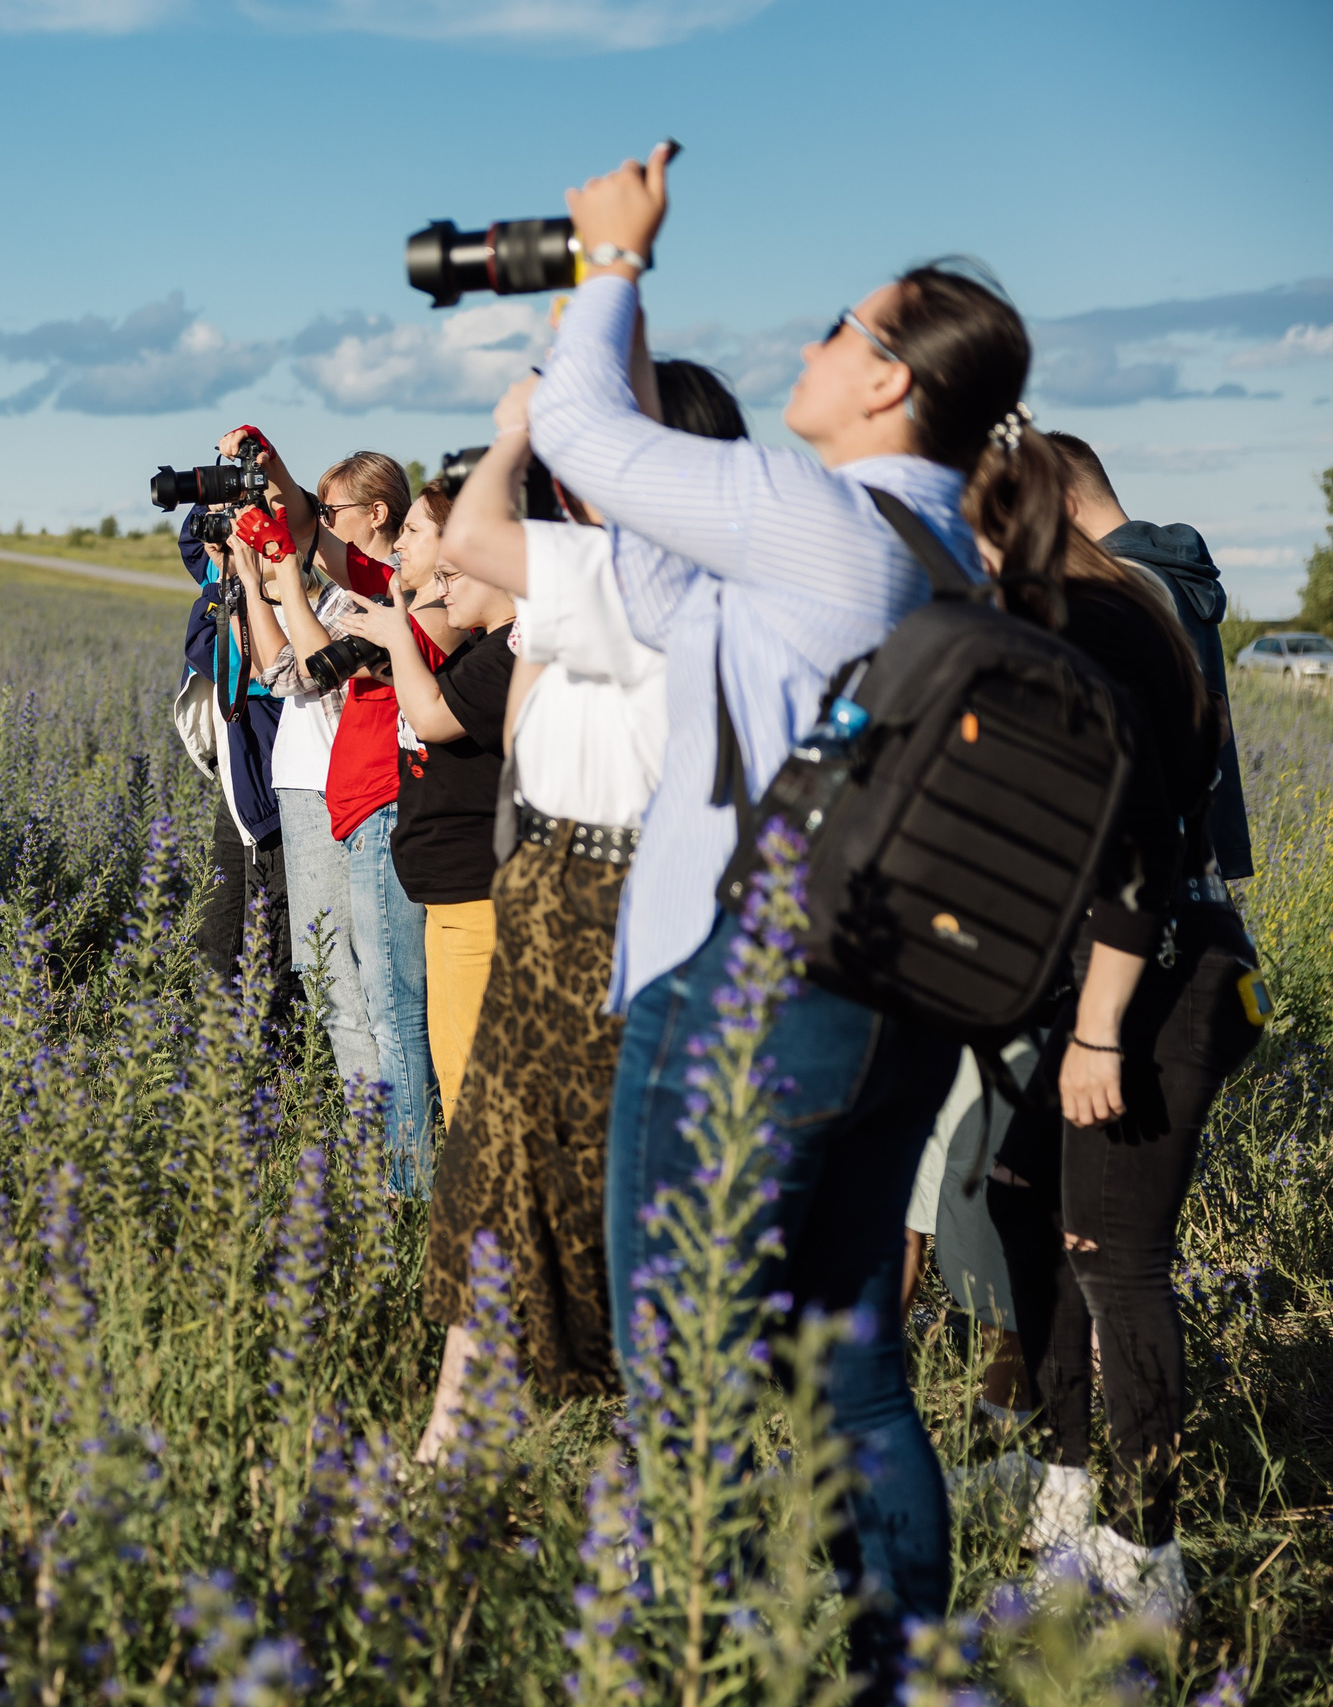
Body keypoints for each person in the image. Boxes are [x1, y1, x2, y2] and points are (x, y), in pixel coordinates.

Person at [528, 142, 1032, 1684]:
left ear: (889, 384)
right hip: (888, 997)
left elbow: (576, 418)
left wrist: (609, 263)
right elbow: (687, 613)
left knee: (679, 1375)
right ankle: (890, 1663)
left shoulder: (819, 514)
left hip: (742, 986)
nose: (809, 348)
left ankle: (686, 1656)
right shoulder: (950, 552)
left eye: (839, 327)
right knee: (857, 1366)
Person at [421, 355, 746, 1419]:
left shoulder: (650, 575)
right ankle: (464, 1430)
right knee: (495, 1169)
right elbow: (521, 733)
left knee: (566, 1180)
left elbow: (469, 540)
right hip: (554, 879)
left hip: (608, 897)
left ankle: (585, 1431)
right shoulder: (609, 572)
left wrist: (516, 433)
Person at [973, 482, 1262, 1624]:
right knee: (1028, 1219)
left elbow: (1136, 851)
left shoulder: (1090, 633)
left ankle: (1150, 1562)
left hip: (1156, 987)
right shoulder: (1063, 627)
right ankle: (1062, 1490)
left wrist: (1096, 1029)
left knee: (1115, 1258)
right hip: (1083, 981)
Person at [239, 439, 440, 1195]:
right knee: (356, 986)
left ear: (382, 514)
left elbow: (319, 668)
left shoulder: (405, 598)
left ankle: (400, 1175)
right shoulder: (376, 587)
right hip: (353, 798)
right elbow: (277, 661)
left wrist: (284, 571)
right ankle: (390, 1162)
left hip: (374, 798)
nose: (316, 524)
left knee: (386, 999)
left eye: (333, 510)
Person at [340, 483, 511, 1131]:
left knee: (469, 1081)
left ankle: (466, 1218)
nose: (442, 585)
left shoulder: (510, 651)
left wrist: (398, 637)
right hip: (446, 893)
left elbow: (433, 717)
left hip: (476, 895)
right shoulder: (478, 650)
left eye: (453, 571)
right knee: (450, 1059)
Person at [1048, 431, 1252, 880]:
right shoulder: (1167, 571)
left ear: (1063, 503)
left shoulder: (1126, 584)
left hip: (1152, 864)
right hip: (1192, 846)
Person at [176, 510, 294, 1011]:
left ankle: (270, 1070)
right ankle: (215, 1064)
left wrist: (230, 577)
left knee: (272, 947)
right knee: (220, 932)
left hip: (277, 798)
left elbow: (216, 654)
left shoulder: (287, 608)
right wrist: (221, 502)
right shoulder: (245, 583)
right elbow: (193, 542)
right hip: (243, 791)